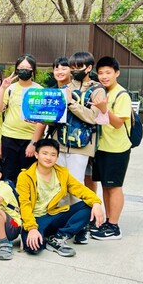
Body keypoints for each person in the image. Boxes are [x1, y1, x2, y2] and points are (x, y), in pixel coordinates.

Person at [17, 139, 104, 257]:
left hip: (54, 215)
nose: (49, 157)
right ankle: (43, 236)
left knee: (88, 206)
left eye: (53, 155)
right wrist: (32, 228)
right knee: (34, 248)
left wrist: (96, 203)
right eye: (45, 153)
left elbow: (80, 189)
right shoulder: (25, 176)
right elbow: (24, 204)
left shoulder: (62, 173)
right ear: (37, 155)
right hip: (35, 219)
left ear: (57, 157)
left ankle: (58, 237)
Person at [51, 52, 107, 223]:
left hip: (81, 146)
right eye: (73, 67)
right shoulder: (64, 88)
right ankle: (61, 222)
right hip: (59, 143)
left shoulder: (97, 90)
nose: (75, 70)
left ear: (89, 68)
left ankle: (79, 225)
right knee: (59, 185)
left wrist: (71, 103)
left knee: (76, 185)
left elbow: (92, 117)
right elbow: (55, 115)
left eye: (79, 67)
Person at [91, 56, 133, 240]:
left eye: (108, 72)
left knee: (114, 187)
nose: (104, 76)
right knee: (106, 187)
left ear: (117, 73)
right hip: (102, 147)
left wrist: (104, 109)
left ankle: (114, 227)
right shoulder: (103, 92)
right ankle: (108, 222)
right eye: (101, 73)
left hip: (117, 148)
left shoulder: (121, 94)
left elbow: (117, 124)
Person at [0, 54, 45, 183]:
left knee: (28, 176)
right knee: (9, 175)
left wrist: (33, 143)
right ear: (16, 69)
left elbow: (42, 121)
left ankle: (25, 202)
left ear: (33, 70)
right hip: (9, 138)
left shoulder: (39, 91)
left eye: (27, 67)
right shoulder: (10, 88)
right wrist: (3, 87)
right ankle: (10, 202)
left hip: (29, 139)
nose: (24, 70)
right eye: (21, 67)